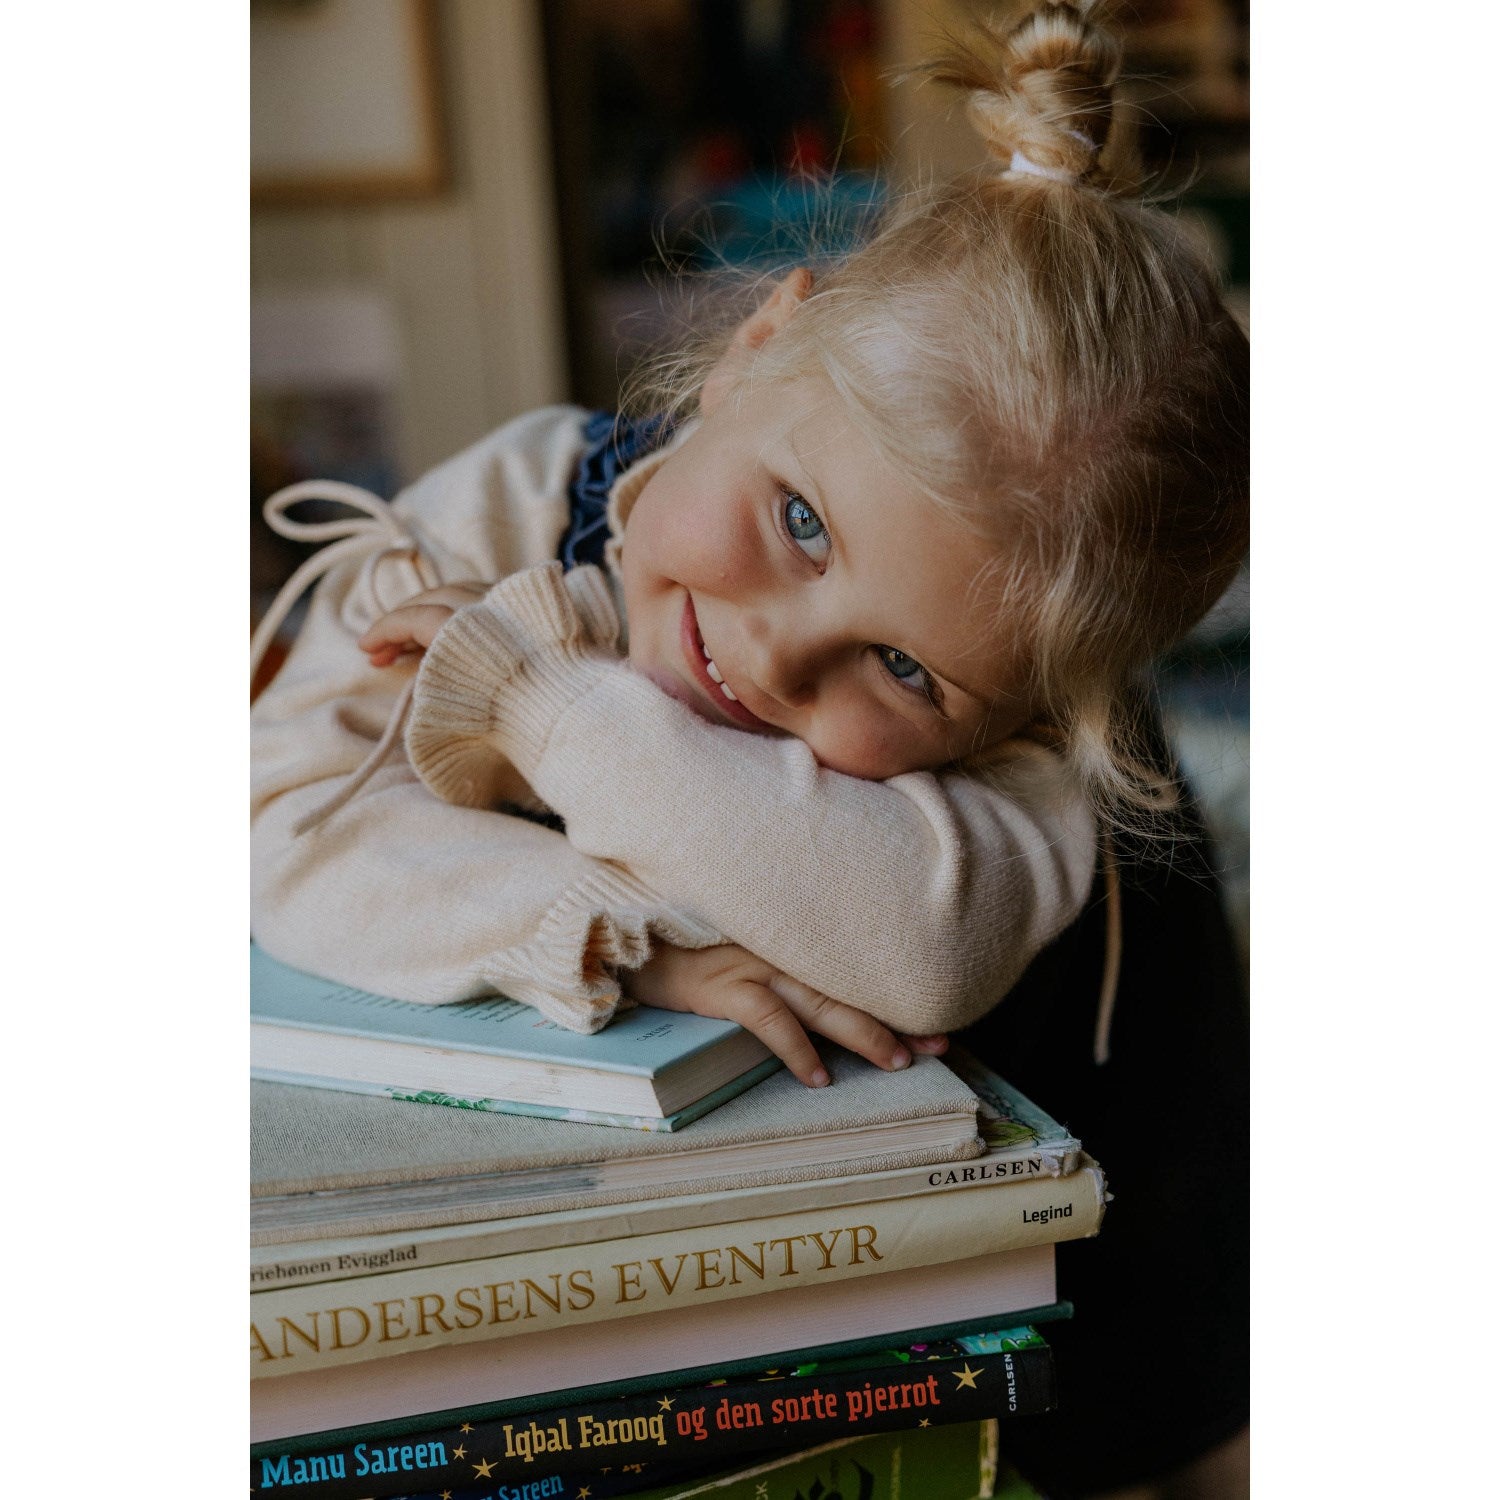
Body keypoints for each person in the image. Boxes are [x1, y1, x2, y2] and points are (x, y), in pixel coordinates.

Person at [250, 3, 1247, 1492]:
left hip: (1051, 1252)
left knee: (1171, 1384)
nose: (774, 658)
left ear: (1029, 715)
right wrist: (623, 938)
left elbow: (916, 945)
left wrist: (533, 699)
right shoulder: (517, 500)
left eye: (903, 668)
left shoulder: (1050, 746)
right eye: (799, 520)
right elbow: (278, 816)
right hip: (627, 1253)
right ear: (757, 346)